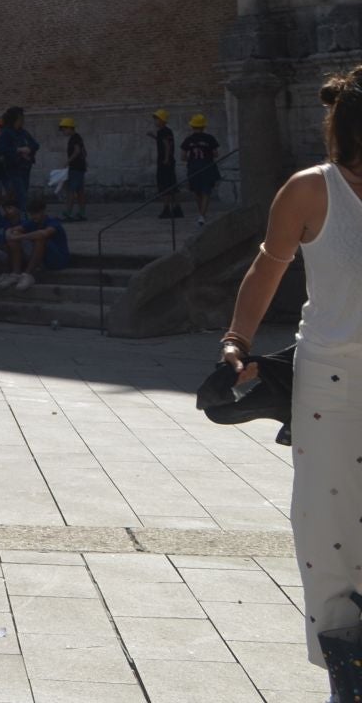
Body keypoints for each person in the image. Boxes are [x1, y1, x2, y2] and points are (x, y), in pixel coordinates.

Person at [220, 67, 362, 684]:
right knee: (331, 538)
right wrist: (237, 338)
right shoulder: (311, 190)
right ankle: (347, 677)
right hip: (331, 386)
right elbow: (268, 267)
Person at [0, 107, 38, 208]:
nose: (23, 120)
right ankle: (22, 218)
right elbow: (3, 150)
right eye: (21, 118)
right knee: (20, 195)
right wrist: (19, 150)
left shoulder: (23, 132)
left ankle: (20, 216)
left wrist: (29, 150)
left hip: (25, 168)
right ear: (16, 119)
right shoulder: (6, 133)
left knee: (23, 193)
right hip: (14, 169)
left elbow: (35, 144)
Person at [182, 114, 221, 225]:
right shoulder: (209, 138)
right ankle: (202, 215)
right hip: (207, 167)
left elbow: (183, 157)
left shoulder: (188, 140)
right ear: (203, 127)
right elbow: (215, 154)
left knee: (197, 191)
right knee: (206, 191)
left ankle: (201, 214)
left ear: (192, 127)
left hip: (193, 168)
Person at [151, 108, 179, 217]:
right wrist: (153, 137)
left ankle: (166, 209)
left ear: (162, 120)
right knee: (172, 184)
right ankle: (177, 208)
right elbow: (163, 142)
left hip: (165, 162)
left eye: (157, 119)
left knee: (165, 185)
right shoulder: (167, 131)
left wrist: (166, 159)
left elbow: (167, 145)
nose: (155, 122)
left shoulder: (162, 131)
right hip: (169, 161)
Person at [59, 118, 88, 221]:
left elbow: (77, 151)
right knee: (80, 191)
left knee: (71, 190)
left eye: (64, 129)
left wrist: (68, 162)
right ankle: (82, 213)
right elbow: (84, 152)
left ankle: (68, 212)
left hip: (75, 168)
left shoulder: (75, 138)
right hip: (80, 167)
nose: (63, 132)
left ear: (70, 128)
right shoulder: (77, 138)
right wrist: (84, 163)